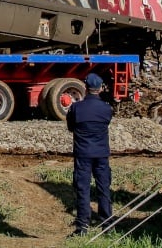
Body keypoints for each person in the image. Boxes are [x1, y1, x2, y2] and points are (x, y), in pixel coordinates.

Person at [66, 73, 113, 236]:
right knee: (103, 188)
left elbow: (70, 126)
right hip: (101, 154)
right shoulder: (107, 109)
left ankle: (82, 227)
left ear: (85, 88)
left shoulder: (76, 108)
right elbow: (107, 122)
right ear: (100, 89)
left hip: (83, 154)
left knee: (83, 190)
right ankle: (107, 225)